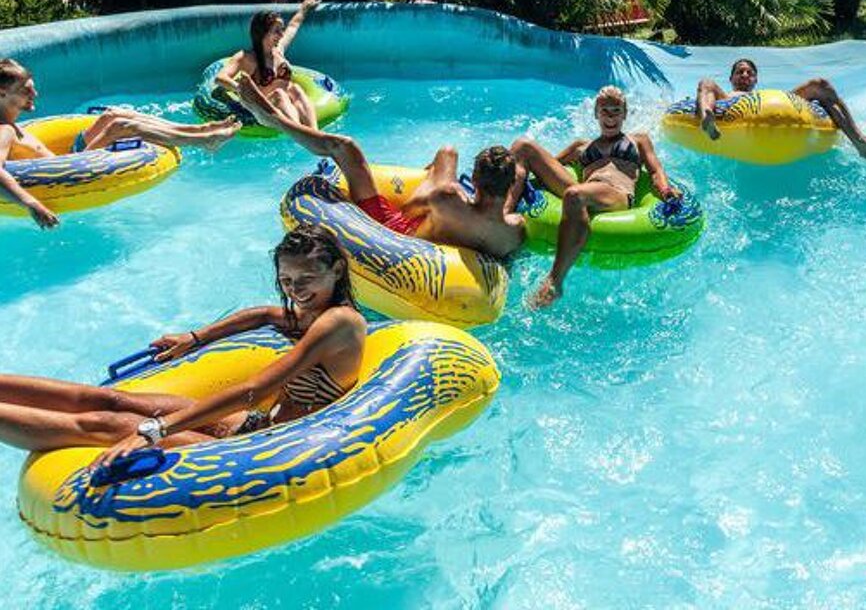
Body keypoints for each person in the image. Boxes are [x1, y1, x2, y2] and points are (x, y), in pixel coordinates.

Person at [0, 225, 366, 466]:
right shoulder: (312, 310)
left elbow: (257, 389)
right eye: (286, 279)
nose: (296, 289)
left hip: (272, 449)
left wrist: (159, 430)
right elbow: (263, 315)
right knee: (116, 399)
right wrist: (194, 338)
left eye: (307, 278)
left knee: (112, 423)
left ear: (337, 270)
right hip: (257, 425)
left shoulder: (340, 321)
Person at [235, 77, 525, 259]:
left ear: (474, 178)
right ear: (511, 184)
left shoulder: (450, 197)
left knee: (346, 148)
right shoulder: (515, 231)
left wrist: (429, 187)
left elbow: (408, 209)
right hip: (452, 237)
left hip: (399, 237)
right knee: (447, 153)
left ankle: (274, 119)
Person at [0, 58, 241, 229]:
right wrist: (32, 204)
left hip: (73, 157)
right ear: (2, 93)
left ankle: (197, 129)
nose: (35, 94)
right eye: (26, 90)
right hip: (72, 168)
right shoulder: (4, 130)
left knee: (113, 115)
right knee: (122, 128)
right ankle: (203, 141)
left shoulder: (11, 125)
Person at [510, 86, 679, 309]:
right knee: (523, 146)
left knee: (575, 195)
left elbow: (655, 170)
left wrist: (666, 191)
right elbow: (550, 165)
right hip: (584, 189)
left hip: (616, 193)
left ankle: (555, 281)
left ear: (625, 114)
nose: (610, 116)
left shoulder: (638, 140)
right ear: (596, 113)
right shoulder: (581, 146)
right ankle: (503, 213)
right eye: (604, 110)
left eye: (616, 110)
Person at [694, 59, 866, 159]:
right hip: (733, 109)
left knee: (820, 85)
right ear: (731, 79)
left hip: (772, 106)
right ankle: (708, 118)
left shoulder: (766, 96)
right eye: (740, 72)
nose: (745, 75)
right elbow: (707, 88)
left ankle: (862, 142)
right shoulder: (726, 95)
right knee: (706, 82)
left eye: (750, 73)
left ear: (756, 80)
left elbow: (783, 103)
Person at [215, 0, 319, 129]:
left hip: (288, 102)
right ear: (263, 32)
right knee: (279, 94)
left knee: (295, 89)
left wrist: (304, 9)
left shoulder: (278, 51)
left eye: (281, 30)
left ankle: (315, 133)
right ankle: (302, 132)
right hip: (265, 108)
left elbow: (293, 27)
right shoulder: (247, 57)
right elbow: (220, 78)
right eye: (277, 31)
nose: (281, 35)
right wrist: (242, 90)